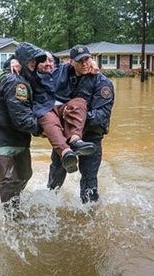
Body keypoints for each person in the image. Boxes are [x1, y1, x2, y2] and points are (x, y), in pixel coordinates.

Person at [0, 42, 46, 218]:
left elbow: (55, 69)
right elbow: (22, 118)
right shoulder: (16, 82)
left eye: (36, 60)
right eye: (31, 60)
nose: (34, 63)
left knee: (25, 174)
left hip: (16, 138)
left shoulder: (27, 77)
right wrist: (42, 130)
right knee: (9, 181)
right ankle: (11, 221)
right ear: (22, 61)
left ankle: (14, 204)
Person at [47, 45, 115, 203]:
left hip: (91, 138)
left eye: (87, 59)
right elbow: (41, 69)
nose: (85, 63)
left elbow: (101, 116)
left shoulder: (102, 83)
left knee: (89, 179)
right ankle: (49, 205)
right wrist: (12, 63)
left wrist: (71, 116)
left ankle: (90, 216)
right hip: (65, 138)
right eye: (80, 61)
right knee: (56, 174)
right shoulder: (62, 74)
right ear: (72, 62)